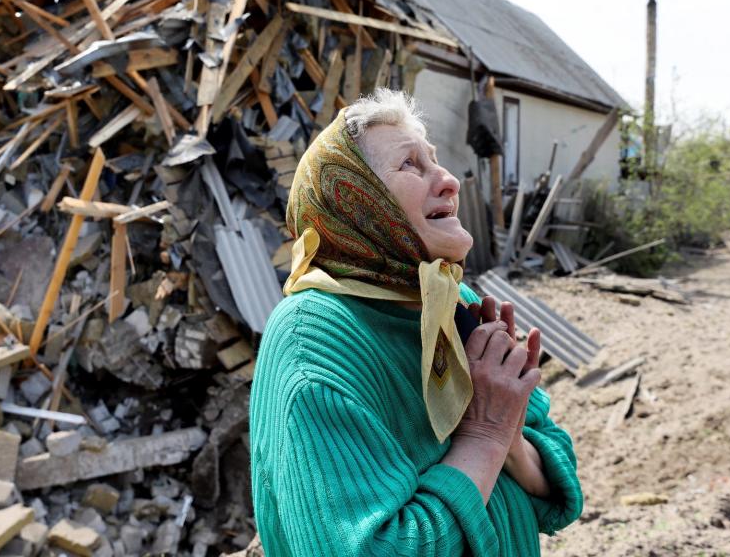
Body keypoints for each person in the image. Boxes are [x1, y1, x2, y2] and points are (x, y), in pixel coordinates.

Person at [249, 89, 582, 556]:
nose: (450, 181)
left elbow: (557, 477)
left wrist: (509, 434)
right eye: (411, 165)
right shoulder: (314, 339)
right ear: (356, 200)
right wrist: (485, 435)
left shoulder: (449, 300)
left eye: (436, 161)